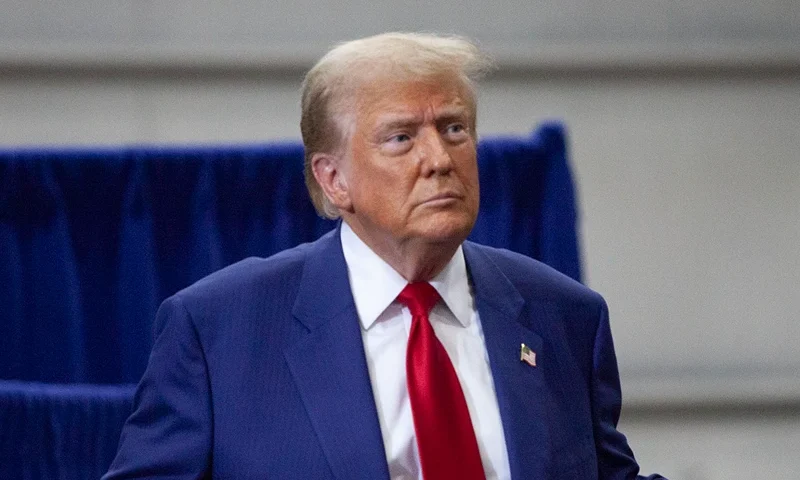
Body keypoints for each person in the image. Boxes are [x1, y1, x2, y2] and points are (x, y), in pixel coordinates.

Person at [104, 32, 663, 479]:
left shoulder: (563, 315)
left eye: (454, 128)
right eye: (401, 138)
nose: (440, 159)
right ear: (334, 179)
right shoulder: (220, 330)